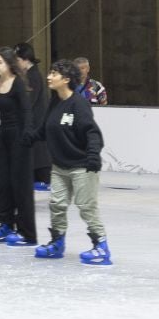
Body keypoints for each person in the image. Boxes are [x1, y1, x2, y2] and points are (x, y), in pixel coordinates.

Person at [32, 60, 111, 265]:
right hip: (59, 166)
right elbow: (46, 128)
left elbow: (92, 133)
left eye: (54, 74)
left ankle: (101, 247)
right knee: (56, 204)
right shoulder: (55, 101)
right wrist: (28, 138)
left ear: (66, 79)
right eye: (50, 72)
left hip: (82, 165)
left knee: (86, 206)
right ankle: (57, 243)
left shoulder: (79, 103)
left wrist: (93, 157)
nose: (49, 77)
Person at [0, 47, 39, 248]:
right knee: (4, 181)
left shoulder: (18, 83)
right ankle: (5, 223)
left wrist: (27, 136)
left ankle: (27, 232)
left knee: (20, 184)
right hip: (4, 135)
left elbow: (27, 112)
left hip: (20, 137)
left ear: (8, 63)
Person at [13, 43, 50, 190]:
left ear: (25, 59)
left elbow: (29, 101)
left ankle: (44, 179)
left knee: (39, 151)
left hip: (37, 122)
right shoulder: (28, 75)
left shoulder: (33, 75)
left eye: (18, 60)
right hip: (33, 122)